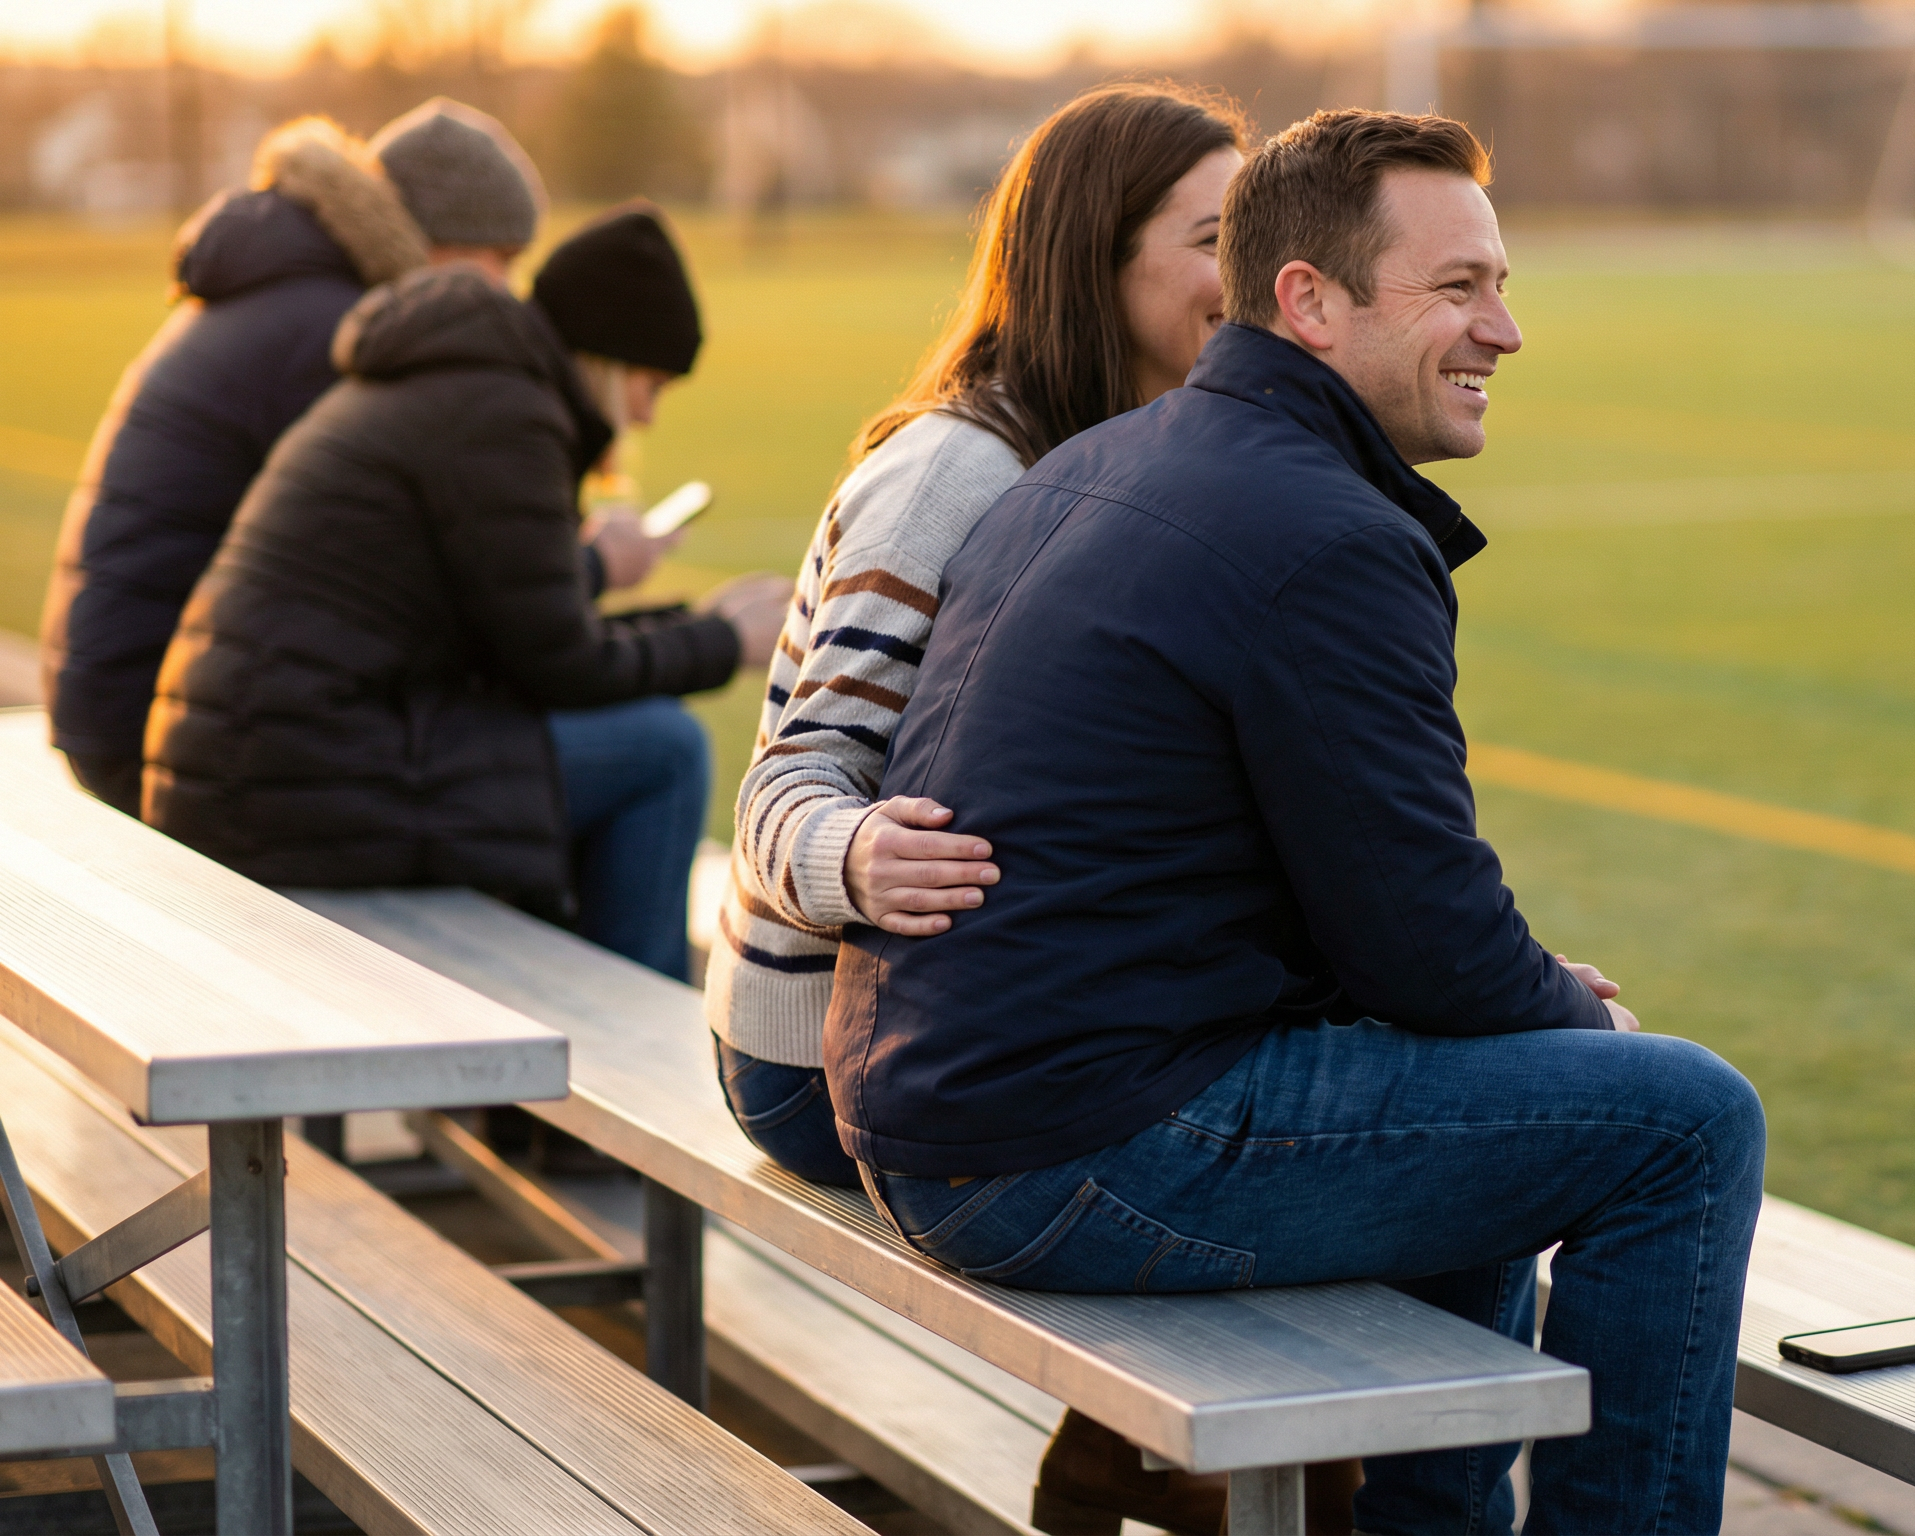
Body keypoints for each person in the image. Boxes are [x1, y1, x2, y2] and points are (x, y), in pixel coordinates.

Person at [833, 109, 1765, 1535]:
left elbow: (1385, 929)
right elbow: (1424, 939)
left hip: (940, 1112)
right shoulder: (1323, 532)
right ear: (1309, 302)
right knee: (1685, 1120)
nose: (1505, 330)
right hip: (1058, 1148)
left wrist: (1529, 1013)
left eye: (1502, 286)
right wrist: (1570, 1013)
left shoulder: (1101, 460)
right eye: (1458, 288)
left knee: (1502, 1078)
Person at [705, 83, 1298, 1536]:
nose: (1249, 279)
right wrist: (855, 853)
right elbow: (786, 778)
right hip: (816, 1049)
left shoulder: (1148, 451)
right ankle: (1250, 1471)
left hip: (959, 1020)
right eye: (1212, 240)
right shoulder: (957, 470)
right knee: (1331, 1116)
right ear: (1095, 257)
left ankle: (1169, 1461)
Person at [142, 202, 788, 979]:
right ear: (606, 358)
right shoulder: (506, 411)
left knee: (586, 750)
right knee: (663, 750)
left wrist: (695, 622)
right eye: (650, 383)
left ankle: (566, 1009)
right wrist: (724, 641)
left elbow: (518, 630)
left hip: (255, 757)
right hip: (293, 774)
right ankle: (632, 1027)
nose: (647, 414)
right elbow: (561, 667)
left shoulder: (460, 380)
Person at [39, 98, 685, 818]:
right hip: (166, 733)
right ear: (436, 240)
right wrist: (591, 567)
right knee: (653, 748)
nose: (506, 292)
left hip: (127, 700)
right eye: (501, 259)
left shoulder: (293, 289)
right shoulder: (343, 332)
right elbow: (443, 594)